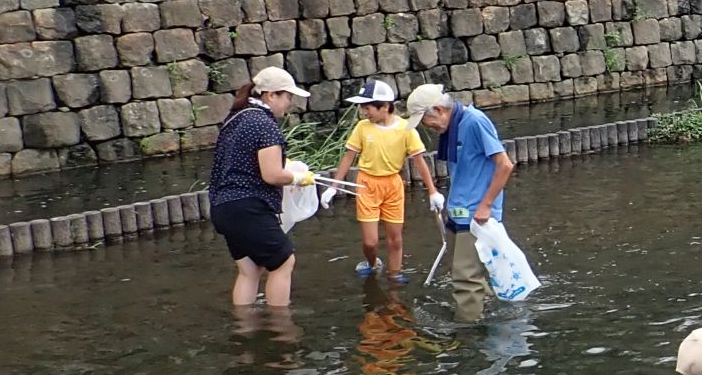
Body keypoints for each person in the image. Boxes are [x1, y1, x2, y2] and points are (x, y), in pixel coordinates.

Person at [208, 65, 318, 309]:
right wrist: (298, 178)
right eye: (288, 96)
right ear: (271, 95)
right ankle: (281, 330)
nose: (289, 103)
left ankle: (245, 327)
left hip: (223, 207)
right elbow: (271, 175)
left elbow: (240, 161)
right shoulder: (264, 124)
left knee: (250, 269)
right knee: (283, 262)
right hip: (248, 206)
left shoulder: (235, 119)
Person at [405, 83, 515, 318]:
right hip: (459, 212)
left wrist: (486, 205)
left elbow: (505, 165)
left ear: (439, 110)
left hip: (476, 215)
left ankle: (468, 335)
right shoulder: (452, 128)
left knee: (465, 278)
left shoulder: (474, 121)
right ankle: (488, 315)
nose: (428, 127)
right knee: (465, 272)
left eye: (426, 121)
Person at [330, 80, 437, 281]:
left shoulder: (406, 129)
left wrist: (432, 191)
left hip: (393, 185)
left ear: (385, 106)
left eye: (368, 108)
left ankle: (395, 275)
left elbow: (419, 161)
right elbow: (348, 156)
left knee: (395, 239)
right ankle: (372, 263)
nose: (365, 112)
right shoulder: (363, 128)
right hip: (367, 184)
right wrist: (334, 186)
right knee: (370, 242)